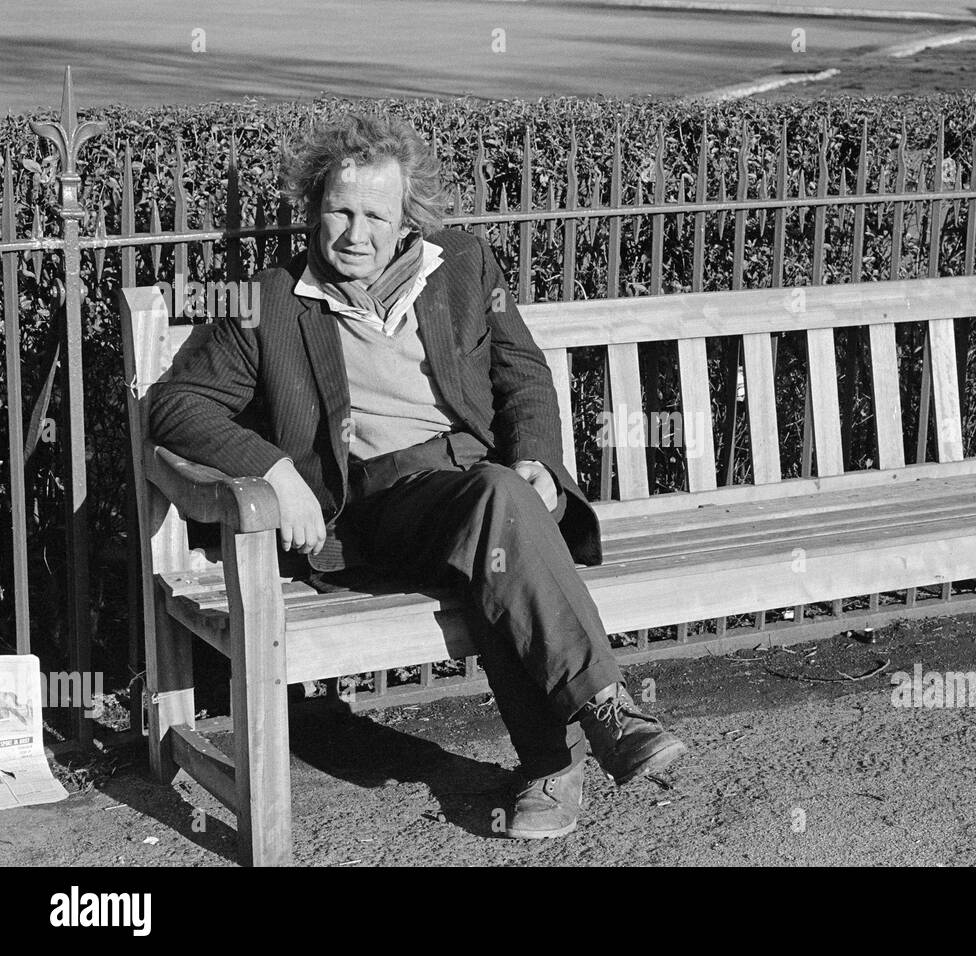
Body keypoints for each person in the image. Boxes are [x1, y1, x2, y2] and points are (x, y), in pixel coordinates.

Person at [149, 113, 687, 840]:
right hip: (381, 506)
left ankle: (550, 769)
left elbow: (520, 373)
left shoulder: (462, 267)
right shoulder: (271, 302)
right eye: (340, 210)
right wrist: (275, 470)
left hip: (480, 489)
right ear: (315, 209)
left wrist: (537, 456)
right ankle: (608, 711)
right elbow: (176, 407)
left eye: (376, 213)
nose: (355, 232)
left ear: (406, 219)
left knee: (496, 536)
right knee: (498, 506)